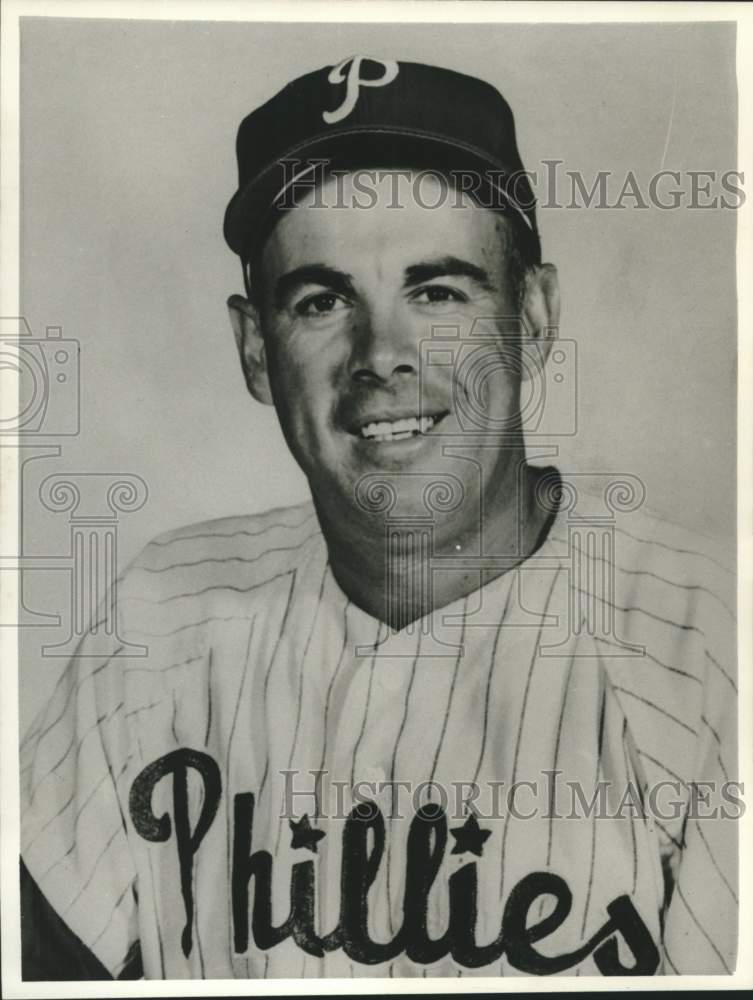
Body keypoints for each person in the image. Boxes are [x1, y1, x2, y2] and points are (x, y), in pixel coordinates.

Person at [20, 56, 738, 980]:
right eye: (321, 301)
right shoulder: (158, 624)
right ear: (254, 348)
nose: (382, 356)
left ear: (531, 314)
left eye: (437, 291)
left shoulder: (713, 658)